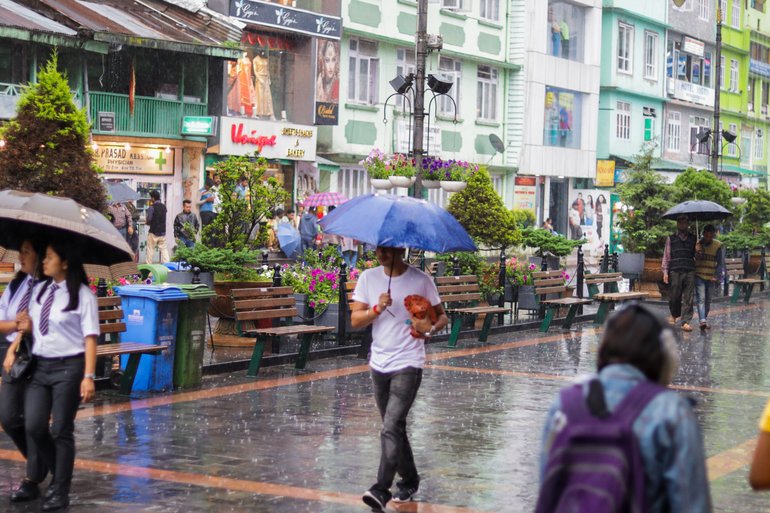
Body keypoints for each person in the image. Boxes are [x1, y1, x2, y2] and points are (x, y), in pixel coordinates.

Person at [538, 304, 711, 513]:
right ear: (664, 358)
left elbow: (549, 486)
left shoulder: (565, 404)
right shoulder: (672, 413)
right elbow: (691, 505)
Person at [350, 247, 449, 510]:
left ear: (400, 250)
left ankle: (380, 489)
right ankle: (410, 480)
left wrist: (427, 329)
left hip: (408, 362)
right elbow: (356, 319)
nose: (380, 253)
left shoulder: (421, 280)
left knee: (391, 426)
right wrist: (376, 309)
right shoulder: (368, 278)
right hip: (378, 363)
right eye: (378, 248)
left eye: (387, 248)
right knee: (394, 427)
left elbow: (441, 317)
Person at [16, 241, 99, 511]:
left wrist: (88, 375)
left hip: (69, 367)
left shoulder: (83, 295)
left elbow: (90, 338)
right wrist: (24, 328)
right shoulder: (40, 290)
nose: (44, 261)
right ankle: (59, 472)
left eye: (49, 257)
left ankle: (60, 489)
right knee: (34, 425)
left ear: (65, 262)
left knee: (61, 429)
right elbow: (34, 326)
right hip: (41, 367)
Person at [0, 238, 48, 503]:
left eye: (27, 251)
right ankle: (46, 458)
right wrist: (14, 325)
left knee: (34, 421)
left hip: (42, 358)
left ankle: (32, 479)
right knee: (8, 418)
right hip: (15, 357)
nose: (21, 256)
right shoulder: (17, 284)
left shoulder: (53, 287)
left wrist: (32, 327)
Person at [662, 215, 696, 332]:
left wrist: (699, 251)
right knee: (674, 295)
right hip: (675, 270)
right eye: (680, 222)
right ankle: (674, 314)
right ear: (677, 224)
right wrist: (665, 272)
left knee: (688, 297)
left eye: (684, 222)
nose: (682, 224)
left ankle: (685, 321)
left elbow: (696, 255)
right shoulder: (671, 239)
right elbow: (666, 256)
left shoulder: (693, 238)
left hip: (689, 269)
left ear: (688, 224)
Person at [694, 224, 724, 331]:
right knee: (701, 299)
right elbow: (696, 258)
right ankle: (702, 320)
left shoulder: (718, 245)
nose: (708, 237)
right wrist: (697, 251)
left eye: (710, 235)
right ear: (703, 234)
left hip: (711, 276)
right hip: (699, 275)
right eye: (706, 235)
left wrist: (717, 276)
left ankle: (704, 319)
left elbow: (720, 263)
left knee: (708, 300)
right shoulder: (697, 244)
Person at [145, 190, 170, 264]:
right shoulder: (164, 207)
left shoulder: (151, 207)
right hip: (162, 232)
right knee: (164, 250)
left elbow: (149, 219)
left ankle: (148, 269)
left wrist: (147, 222)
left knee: (150, 250)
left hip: (153, 232)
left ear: (153, 198)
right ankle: (168, 268)